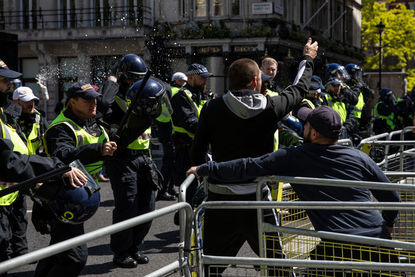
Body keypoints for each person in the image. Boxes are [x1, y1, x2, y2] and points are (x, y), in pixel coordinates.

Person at [187, 105, 401, 275]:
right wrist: (388, 223)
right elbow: (391, 195)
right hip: (378, 239)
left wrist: (205, 169)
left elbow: (246, 166)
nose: (302, 126)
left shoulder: (295, 156)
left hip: (338, 244)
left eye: (305, 124)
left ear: (314, 133)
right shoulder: (359, 156)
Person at [189, 37, 318, 276]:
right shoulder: (272, 107)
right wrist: (307, 58)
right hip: (257, 198)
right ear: (257, 81)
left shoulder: (212, 108)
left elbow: (197, 153)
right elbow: (299, 89)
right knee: (277, 266)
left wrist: (200, 179)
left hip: (219, 198)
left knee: (210, 266)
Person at [35, 81, 117, 277]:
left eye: (95, 99)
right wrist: (98, 150)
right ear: (72, 102)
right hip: (62, 198)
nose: (93, 104)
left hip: (79, 196)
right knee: (74, 258)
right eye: (87, 100)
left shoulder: (91, 121)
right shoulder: (60, 128)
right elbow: (63, 155)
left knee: (57, 250)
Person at [99, 54, 171, 268]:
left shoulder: (144, 91)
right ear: (122, 77)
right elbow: (103, 104)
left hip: (143, 156)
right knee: (127, 207)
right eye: (131, 78)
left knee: (147, 207)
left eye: (139, 77)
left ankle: (134, 247)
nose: (136, 82)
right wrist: (110, 82)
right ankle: (121, 253)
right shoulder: (114, 95)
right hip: (122, 158)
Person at [170, 63, 213, 205]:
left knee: (204, 190)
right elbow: (190, 123)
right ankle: (185, 221)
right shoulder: (181, 97)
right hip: (186, 151)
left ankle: (196, 220)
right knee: (189, 191)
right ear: (191, 78)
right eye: (202, 78)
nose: (205, 81)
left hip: (203, 149)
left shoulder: (206, 95)